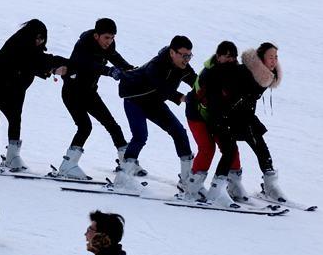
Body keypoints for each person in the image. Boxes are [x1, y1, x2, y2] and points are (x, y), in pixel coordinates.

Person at [0, 19, 68, 173]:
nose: (39, 41)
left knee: (15, 118)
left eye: (42, 39)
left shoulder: (31, 50)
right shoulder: (18, 45)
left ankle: (12, 156)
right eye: (36, 38)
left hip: (9, 91)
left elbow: (39, 61)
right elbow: (35, 61)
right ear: (29, 36)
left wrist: (65, 65)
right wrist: (53, 68)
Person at [202, 42, 285, 207]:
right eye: (271, 57)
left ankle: (270, 186)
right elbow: (222, 88)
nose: (274, 60)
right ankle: (216, 191)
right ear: (261, 58)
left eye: (276, 57)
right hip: (224, 117)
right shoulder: (246, 72)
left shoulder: (264, 75)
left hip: (244, 117)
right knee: (230, 151)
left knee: (260, 146)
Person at [114, 35, 197, 191]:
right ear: (173, 52)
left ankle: (187, 181)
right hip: (135, 99)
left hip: (154, 102)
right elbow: (162, 88)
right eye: (184, 55)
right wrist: (182, 97)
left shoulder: (183, 66)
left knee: (179, 132)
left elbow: (195, 81)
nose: (187, 59)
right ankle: (123, 176)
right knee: (140, 136)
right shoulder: (157, 65)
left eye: (189, 56)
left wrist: (206, 93)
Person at [55, 18, 135, 180]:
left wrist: (131, 70)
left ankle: (126, 163)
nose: (110, 41)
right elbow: (87, 65)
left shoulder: (108, 45)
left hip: (90, 92)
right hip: (73, 92)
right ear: (96, 35)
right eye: (107, 37)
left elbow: (115, 57)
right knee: (85, 127)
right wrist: (109, 71)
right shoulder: (83, 45)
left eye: (112, 37)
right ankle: (68, 165)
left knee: (112, 125)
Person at [184, 41, 247, 201]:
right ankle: (193, 188)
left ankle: (234, 184)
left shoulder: (234, 72)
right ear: (218, 57)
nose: (231, 60)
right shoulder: (210, 74)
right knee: (207, 148)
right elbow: (213, 103)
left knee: (231, 147)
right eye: (227, 56)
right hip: (198, 115)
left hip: (216, 115)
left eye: (233, 57)